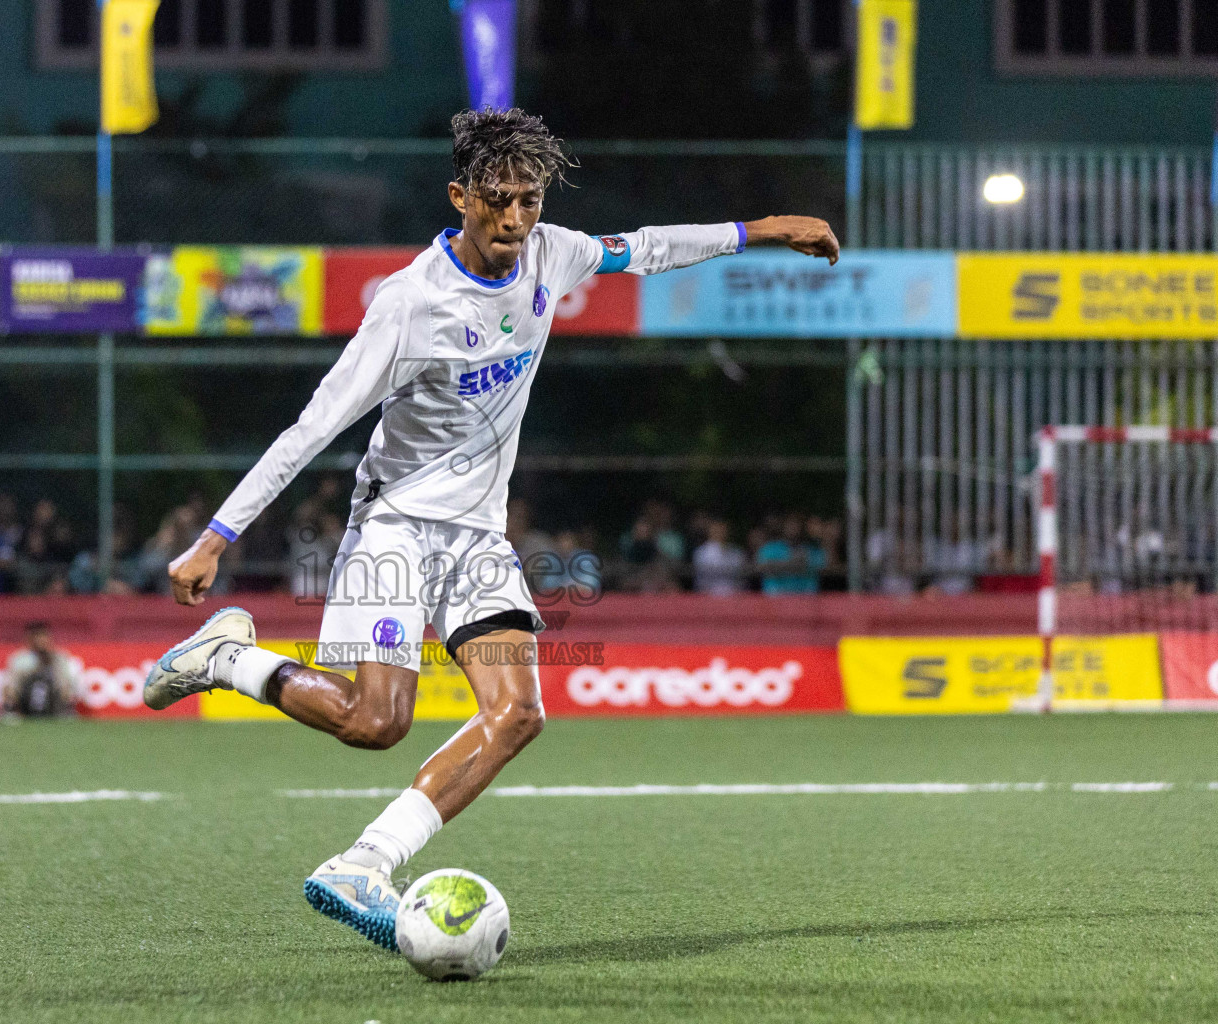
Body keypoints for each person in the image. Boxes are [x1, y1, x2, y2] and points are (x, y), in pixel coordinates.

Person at [141, 107, 839, 949]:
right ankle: (228, 657)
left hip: (476, 538)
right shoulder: (408, 304)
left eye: (530, 201)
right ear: (460, 197)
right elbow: (314, 426)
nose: (515, 220)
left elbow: (646, 248)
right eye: (500, 201)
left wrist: (764, 229)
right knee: (376, 723)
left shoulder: (551, 253)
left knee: (517, 715)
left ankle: (363, 864)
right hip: (395, 523)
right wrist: (217, 536)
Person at [0, 622, 81, 718]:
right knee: (11, 682)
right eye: (36, 637)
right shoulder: (20, 658)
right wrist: (37, 669)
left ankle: (65, 710)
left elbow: (69, 681)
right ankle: (10, 710)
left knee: (65, 680)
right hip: (26, 698)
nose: (40, 640)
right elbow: (11, 682)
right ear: (29, 639)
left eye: (43, 636)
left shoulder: (60, 657)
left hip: (53, 699)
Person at [692, 519, 747, 596]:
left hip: (734, 596)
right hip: (709, 596)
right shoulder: (701, 553)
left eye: (722, 529)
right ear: (709, 531)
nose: (720, 532)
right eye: (716, 529)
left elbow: (742, 578)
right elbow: (700, 580)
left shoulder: (737, 553)